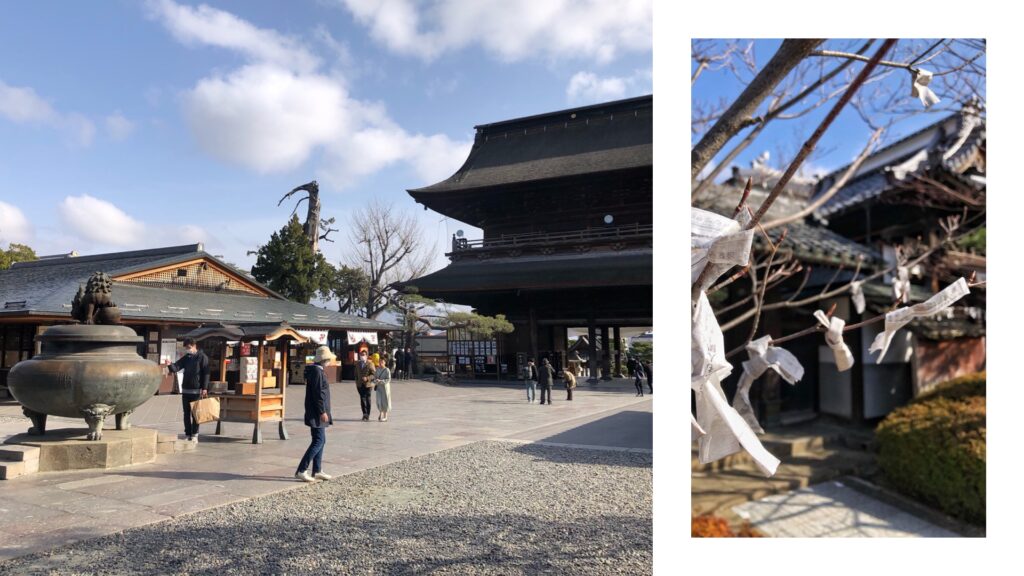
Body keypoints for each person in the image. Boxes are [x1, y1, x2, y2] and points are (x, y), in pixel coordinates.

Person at [296, 345, 335, 482]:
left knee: (321, 440)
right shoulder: (317, 372)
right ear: (324, 360)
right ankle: (302, 469)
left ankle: (317, 469)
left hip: (316, 411)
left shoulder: (316, 371)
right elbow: (318, 394)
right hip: (317, 412)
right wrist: (322, 411)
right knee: (318, 441)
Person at [165, 337, 209, 441]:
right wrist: (170, 364)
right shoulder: (187, 357)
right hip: (185, 390)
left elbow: (206, 373)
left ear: (194, 346)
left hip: (196, 390)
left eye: (189, 347)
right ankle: (188, 433)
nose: (187, 349)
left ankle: (195, 434)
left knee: (195, 414)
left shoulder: (202, 357)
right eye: (186, 348)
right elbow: (177, 367)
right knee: (186, 414)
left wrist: (205, 388)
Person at [354, 349, 375, 421]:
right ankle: (364, 414)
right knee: (362, 399)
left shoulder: (370, 363)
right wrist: (357, 382)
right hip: (360, 384)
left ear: (367, 356)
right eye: (361, 355)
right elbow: (356, 374)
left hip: (368, 385)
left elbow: (374, 374)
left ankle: (368, 414)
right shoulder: (357, 364)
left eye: (364, 355)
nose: (362, 356)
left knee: (368, 399)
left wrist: (367, 378)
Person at [375, 357, 393, 421]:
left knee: (385, 401)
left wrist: (381, 381)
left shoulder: (387, 370)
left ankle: (385, 416)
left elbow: (389, 379)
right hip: (379, 388)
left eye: (382, 362)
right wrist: (376, 381)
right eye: (380, 361)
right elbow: (375, 377)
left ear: (385, 362)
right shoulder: (377, 369)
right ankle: (380, 413)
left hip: (385, 388)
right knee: (379, 401)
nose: (380, 363)